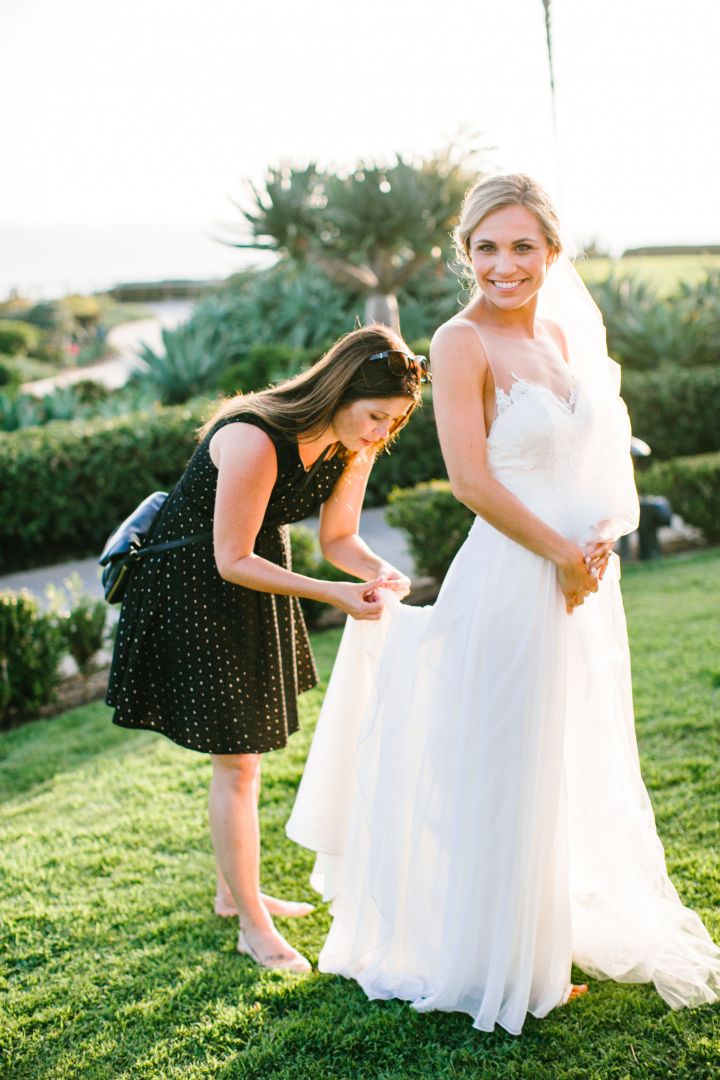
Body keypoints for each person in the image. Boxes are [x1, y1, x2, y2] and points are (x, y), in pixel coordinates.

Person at [287, 175, 720, 1031]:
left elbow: (590, 456)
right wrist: (560, 555)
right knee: (506, 765)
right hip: (515, 577)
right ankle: (501, 959)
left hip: (578, 579)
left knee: (563, 754)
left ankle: (542, 935)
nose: (504, 265)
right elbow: (472, 481)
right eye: (486, 247)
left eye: (522, 246)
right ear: (466, 253)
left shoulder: (560, 333)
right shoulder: (460, 342)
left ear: (551, 251)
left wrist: (596, 538)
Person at [106, 325, 427, 973]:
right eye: (375, 417)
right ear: (340, 391)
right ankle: (251, 925)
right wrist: (333, 594)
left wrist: (378, 571)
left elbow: (339, 540)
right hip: (193, 586)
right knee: (238, 761)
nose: (380, 434)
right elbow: (230, 557)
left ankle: (235, 894)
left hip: (257, 579)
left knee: (245, 754)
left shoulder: (353, 445)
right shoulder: (254, 435)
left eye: (393, 423)